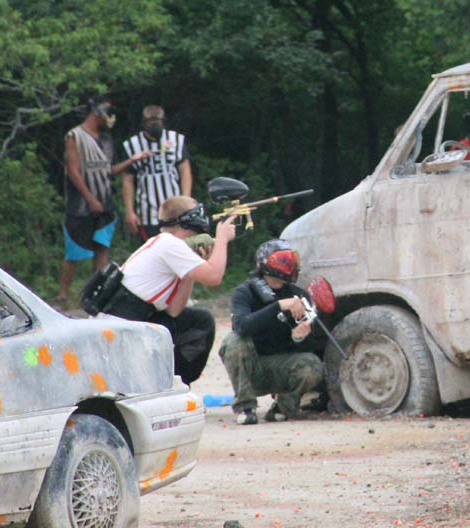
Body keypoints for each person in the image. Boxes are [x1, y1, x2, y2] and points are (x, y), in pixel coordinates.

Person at [100, 196, 237, 385]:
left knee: (198, 320)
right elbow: (214, 277)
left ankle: (171, 380)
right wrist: (222, 239)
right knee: (201, 322)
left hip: (132, 321)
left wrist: (188, 273)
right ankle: (168, 381)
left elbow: (174, 310)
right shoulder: (169, 244)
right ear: (189, 219)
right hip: (122, 327)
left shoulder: (165, 243)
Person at [218, 239, 326, 425]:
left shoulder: (299, 296)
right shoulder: (244, 292)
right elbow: (242, 326)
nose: (290, 265)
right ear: (265, 264)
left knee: (313, 365)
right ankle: (245, 406)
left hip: (280, 367)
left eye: (291, 260)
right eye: (283, 260)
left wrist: (299, 338)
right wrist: (278, 306)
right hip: (250, 367)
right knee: (234, 342)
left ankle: (282, 407)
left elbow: (312, 347)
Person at [62, 95, 152, 305]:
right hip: (80, 206)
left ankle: (98, 294)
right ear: (97, 111)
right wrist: (90, 199)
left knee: (102, 248)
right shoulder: (74, 136)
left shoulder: (106, 139)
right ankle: (63, 296)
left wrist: (132, 160)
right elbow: (73, 172)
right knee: (74, 252)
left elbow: (108, 171)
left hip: (105, 204)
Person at [122, 105, 193, 240]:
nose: (155, 126)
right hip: (147, 211)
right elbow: (127, 180)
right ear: (144, 123)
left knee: (177, 247)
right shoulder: (133, 144)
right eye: (151, 123)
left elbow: (185, 171)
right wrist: (129, 211)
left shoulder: (175, 140)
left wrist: (186, 201)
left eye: (158, 123)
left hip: (175, 209)